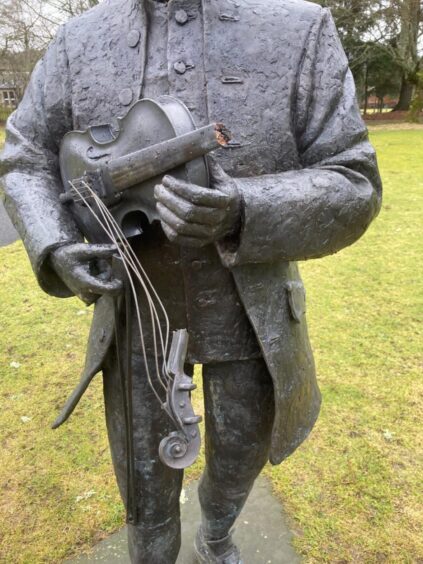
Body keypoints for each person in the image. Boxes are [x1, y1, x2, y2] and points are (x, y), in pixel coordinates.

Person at [0, 0, 382, 562]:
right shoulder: (79, 39)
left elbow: (354, 179)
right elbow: (25, 155)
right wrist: (55, 243)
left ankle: (218, 534)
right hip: (134, 314)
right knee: (144, 496)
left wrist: (245, 210)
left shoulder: (298, 28)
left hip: (249, 315)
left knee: (235, 466)